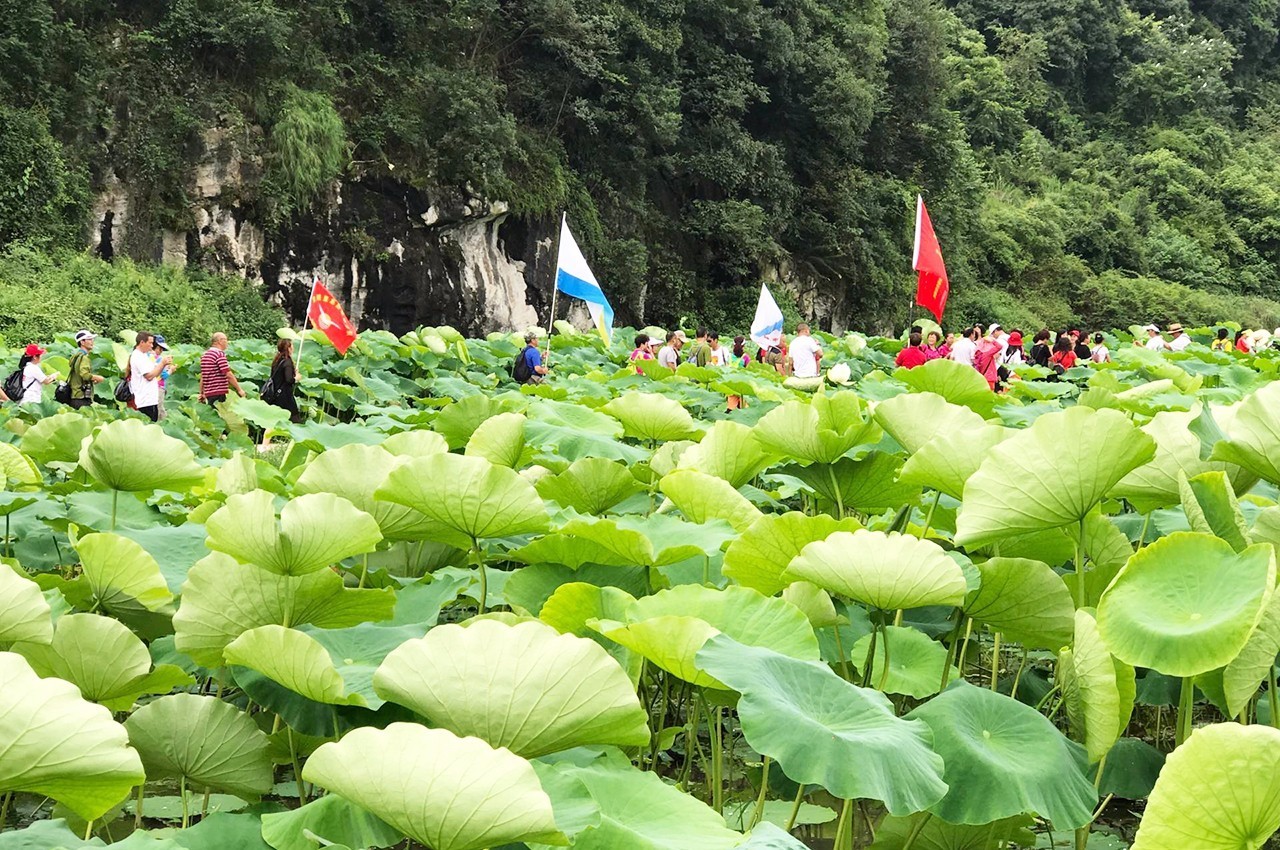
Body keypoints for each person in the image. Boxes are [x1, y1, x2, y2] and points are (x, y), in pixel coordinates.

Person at [129, 333, 171, 422]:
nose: (152, 346)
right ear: (142, 342)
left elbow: (155, 373)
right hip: (145, 400)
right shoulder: (137, 356)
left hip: (151, 399)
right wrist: (162, 363)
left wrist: (163, 365)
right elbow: (149, 376)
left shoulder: (144, 355)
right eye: (150, 343)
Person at [198, 332, 247, 404]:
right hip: (218, 392)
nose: (227, 342)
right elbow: (228, 373)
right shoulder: (219, 354)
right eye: (226, 340)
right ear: (220, 341)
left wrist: (201, 393)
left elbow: (203, 375)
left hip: (209, 393)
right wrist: (239, 389)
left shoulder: (205, 355)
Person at [68, 329, 106, 409]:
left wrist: (91, 380)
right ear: (82, 342)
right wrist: (98, 378)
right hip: (82, 397)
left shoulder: (76, 356)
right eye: (89, 339)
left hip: (74, 395)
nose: (92, 341)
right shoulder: (84, 357)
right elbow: (84, 374)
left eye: (92, 339)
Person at [266, 338, 302, 422]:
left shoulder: (277, 360)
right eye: (292, 345)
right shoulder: (287, 362)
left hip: (275, 394)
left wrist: (293, 372)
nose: (293, 348)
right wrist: (296, 378)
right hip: (285, 396)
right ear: (288, 348)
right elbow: (288, 380)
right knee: (294, 419)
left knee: (276, 420)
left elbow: (279, 375)